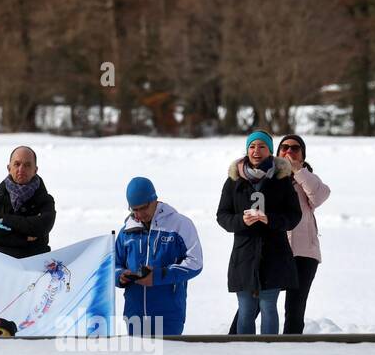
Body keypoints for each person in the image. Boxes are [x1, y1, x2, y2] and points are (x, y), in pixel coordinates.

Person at [215, 130, 300, 335]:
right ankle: (243, 354)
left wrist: (270, 219)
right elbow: (222, 216)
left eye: (262, 146)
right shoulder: (234, 180)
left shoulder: (282, 179)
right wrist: (241, 221)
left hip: (274, 255)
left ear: (270, 151)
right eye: (252, 147)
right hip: (244, 255)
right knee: (246, 310)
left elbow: (294, 216)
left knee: (268, 307)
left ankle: (270, 352)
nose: (256, 151)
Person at [115, 176, 203, 336]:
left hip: (168, 312)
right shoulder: (126, 231)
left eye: (143, 208)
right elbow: (114, 265)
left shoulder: (180, 224)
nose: (139, 214)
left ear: (154, 200)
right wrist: (120, 276)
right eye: (134, 209)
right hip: (134, 312)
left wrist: (159, 276)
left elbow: (195, 262)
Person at [276, 134, 331, 333]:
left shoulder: (307, 177)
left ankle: (291, 349)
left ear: (302, 154)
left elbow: (320, 196)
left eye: (295, 148)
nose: (289, 151)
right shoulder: (269, 177)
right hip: (275, 250)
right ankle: (235, 342)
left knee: (295, 308)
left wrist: (298, 171)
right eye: (284, 147)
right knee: (256, 303)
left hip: (304, 252)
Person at [0, 146, 56, 258]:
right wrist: (23, 239)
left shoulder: (46, 200)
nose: (21, 169)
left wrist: (5, 220)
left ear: (35, 170)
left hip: (34, 263)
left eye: (27, 165)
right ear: (9, 168)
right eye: (17, 164)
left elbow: (41, 227)